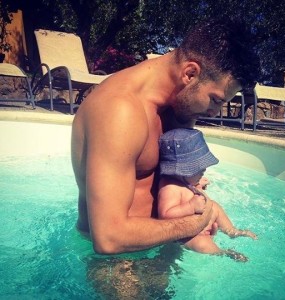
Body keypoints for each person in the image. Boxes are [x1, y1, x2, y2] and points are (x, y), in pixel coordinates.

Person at [71, 18, 261, 254]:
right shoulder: (119, 110)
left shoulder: (181, 106)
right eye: (216, 100)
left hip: (162, 243)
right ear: (190, 73)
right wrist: (197, 221)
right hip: (118, 266)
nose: (216, 112)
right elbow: (108, 238)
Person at [158, 128, 257, 262]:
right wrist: (190, 207)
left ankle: (231, 230)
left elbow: (188, 192)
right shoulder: (170, 187)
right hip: (187, 235)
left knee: (214, 206)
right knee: (202, 244)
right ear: (181, 171)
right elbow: (165, 214)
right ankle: (222, 252)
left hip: (201, 224)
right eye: (198, 169)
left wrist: (196, 186)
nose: (204, 171)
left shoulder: (184, 182)